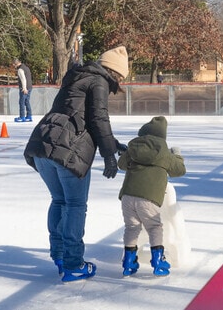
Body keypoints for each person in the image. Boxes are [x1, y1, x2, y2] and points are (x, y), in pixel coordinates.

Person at [23, 45, 130, 282]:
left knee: (59, 200)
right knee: (74, 205)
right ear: (114, 72)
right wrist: (109, 155)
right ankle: (73, 264)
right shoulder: (99, 81)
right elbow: (98, 118)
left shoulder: (76, 77)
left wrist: (113, 144)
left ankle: (59, 255)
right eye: (121, 77)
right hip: (67, 150)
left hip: (42, 143)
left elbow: (80, 116)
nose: (119, 83)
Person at [117, 116, 186, 277]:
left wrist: (126, 153)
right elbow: (179, 170)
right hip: (148, 198)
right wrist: (177, 155)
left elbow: (121, 165)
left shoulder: (134, 146)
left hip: (128, 196)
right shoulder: (163, 151)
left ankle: (129, 260)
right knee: (154, 227)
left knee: (132, 227)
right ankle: (158, 260)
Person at [13, 58, 33, 122]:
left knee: (22, 102)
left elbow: (23, 79)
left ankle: (22, 117)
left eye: (14, 65)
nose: (14, 66)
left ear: (16, 64)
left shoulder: (20, 69)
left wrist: (24, 88)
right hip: (30, 87)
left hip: (24, 88)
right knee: (27, 101)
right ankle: (29, 116)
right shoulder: (26, 67)